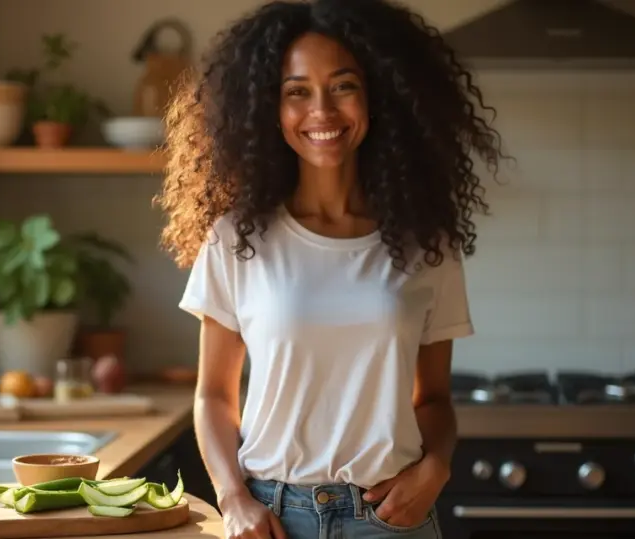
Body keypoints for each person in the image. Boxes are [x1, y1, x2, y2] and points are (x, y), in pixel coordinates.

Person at [155, 0, 506, 537]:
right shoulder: (237, 239)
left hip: (390, 516)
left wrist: (436, 467)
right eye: (297, 91)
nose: (321, 110)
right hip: (270, 516)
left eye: (343, 85)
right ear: (268, 108)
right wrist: (231, 498)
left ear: (377, 95)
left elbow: (433, 399)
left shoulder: (426, 242)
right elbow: (215, 396)